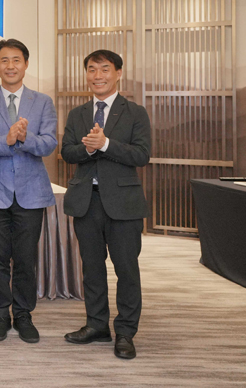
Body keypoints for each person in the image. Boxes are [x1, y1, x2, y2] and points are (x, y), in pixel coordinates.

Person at [60, 49, 151, 360]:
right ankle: (96, 324)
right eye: (91, 69)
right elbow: (67, 152)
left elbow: (141, 155)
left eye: (104, 69)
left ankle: (125, 331)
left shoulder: (135, 112)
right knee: (92, 269)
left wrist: (106, 144)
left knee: (126, 269)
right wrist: (87, 149)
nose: (97, 75)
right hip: (87, 202)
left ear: (118, 73)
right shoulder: (78, 114)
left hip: (124, 203)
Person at [0, 39, 57, 344]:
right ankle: (0, 313)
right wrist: (7, 140)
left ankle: (23, 315)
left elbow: (49, 143)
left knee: (25, 259)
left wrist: (26, 138)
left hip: (31, 192)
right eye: (4, 60)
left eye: (17, 60)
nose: (11, 66)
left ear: (26, 64)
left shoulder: (43, 102)